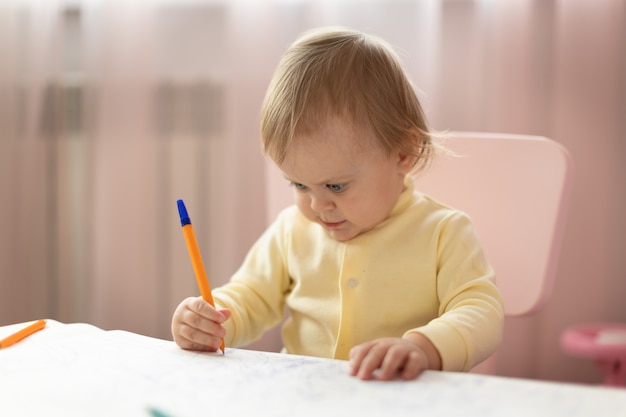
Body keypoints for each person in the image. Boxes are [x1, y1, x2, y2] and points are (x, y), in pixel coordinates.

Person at [171, 26, 504, 381]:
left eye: (336, 185)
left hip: (400, 399)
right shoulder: (292, 229)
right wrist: (210, 320)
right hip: (306, 398)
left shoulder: (443, 231)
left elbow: (481, 310)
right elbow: (249, 296)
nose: (317, 205)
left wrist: (424, 347)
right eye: (299, 184)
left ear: (402, 153)